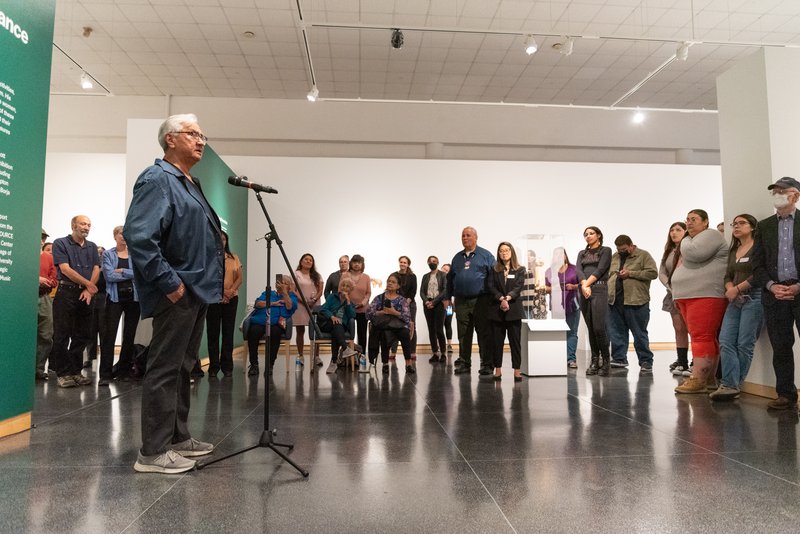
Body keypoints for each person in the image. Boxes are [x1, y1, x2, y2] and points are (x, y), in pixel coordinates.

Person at [125, 113, 223, 474]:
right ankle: (151, 453)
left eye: (202, 134)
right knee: (164, 369)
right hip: (177, 292)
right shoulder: (157, 179)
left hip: (195, 292)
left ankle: (179, 437)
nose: (201, 141)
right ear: (171, 140)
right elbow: (140, 238)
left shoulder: (188, 182)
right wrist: (172, 285)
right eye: (193, 134)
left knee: (183, 367)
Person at [752, 177, 800, 410]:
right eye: (775, 191)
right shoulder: (764, 226)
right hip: (774, 294)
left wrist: (798, 286)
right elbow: (756, 264)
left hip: (799, 290)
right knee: (780, 346)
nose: (777, 194)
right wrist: (772, 285)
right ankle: (786, 394)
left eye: (783, 191)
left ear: (796, 195)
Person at [671, 209, 728, 394]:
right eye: (687, 219)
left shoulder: (709, 235)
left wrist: (685, 238)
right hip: (688, 295)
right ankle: (708, 379)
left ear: (706, 222)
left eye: (694, 219)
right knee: (701, 337)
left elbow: (694, 254)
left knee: (701, 336)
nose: (689, 223)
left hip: (706, 294)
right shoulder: (694, 240)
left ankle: (698, 379)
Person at [711, 214, 761, 401]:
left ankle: (732, 385)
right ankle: (730, 384)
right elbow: (727, 275)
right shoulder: (734, 250)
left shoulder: (758, 248)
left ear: (753, 227)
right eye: (735, 224)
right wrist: (730, 288)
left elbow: (760, 274)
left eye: (742, 223)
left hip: (754, 298)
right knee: (725, 341)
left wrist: (738, 288)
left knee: (745, 344)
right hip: (734, 300)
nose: (737, 226)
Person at [51, 215, 100, 388]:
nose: (86, 227)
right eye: (83, 224)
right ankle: (63, 373)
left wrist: (88, 289)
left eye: (89, 224)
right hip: (66, 293)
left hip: (85, 295)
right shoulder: (60, 243)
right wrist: (88, 284)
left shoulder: (92, 246)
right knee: (62, 334)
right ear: (73, 225)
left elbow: (96, 267)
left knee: (83, 334)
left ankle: (75, 371)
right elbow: (65, 269)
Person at [446, 227, 495, 375]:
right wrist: (448, 298)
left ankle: (486, 364)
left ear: (476, 237)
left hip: (481, 300)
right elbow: (450, 280)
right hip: (461, 301)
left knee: (483, 333)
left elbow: (494, 278)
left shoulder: (486, 255)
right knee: (463, 334)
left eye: (468, 235)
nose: (465, 238)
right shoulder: (457, 258)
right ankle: (464, 362)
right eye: (463, 235)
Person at [606, 235, 658, 375]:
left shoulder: (643, 255)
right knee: (616, 332)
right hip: (615, 300)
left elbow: (653, 273)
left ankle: (646, 361)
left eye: (623, 249)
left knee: (639, 332)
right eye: (618, 249)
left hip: (636, 300)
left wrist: (631, 273)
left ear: (631, 245)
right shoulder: (615, 256)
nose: (621, 251)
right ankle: (619, 358)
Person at [98, 226, 140, 386]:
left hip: (134, 300)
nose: (124, 237)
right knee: (109, 336)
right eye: (121, 234)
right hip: (114, 299)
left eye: (126, 234)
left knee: (129, 336)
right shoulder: (108, 254)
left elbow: (140, 274)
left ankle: (124, 372)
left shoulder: (135, 254)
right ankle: (105, 374)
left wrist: (122, 270)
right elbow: (109, 275)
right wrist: (129, 273)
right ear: (115, 236)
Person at [201, 230, 242, 378]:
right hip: (213, 298)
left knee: (228, 332)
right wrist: (221, 293)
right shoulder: (208, 258)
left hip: (231, 299)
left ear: (227, 242)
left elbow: (239, 278)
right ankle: (213, 367)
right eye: (219, 239)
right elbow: (207, 278)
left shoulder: (234, 258)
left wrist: (230, 292)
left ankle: (227, 367)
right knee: (212, 333)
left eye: (224, 239)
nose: (222, 242)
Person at [486, 242, 525, 381]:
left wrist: (507, 298)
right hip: (497, 310)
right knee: (497, 342)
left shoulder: (520, 269)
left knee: (515, 342)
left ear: (511, 252)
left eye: (507, 250)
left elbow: (518, 287)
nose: (504, 253)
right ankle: (498, 369)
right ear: (498, 253)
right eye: (501, 251)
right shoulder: (494, 269)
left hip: (514, 310)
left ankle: (517, 370)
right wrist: (501, 298)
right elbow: (490, 286)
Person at [576, 226, 612, 376]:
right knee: (590, 327)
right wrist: (584, 286)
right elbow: (579, 270)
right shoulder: (582, 253)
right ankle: (594, 360)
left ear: (598, 235)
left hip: (599, 289)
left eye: (591, 233)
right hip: (584, 291)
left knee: (599, 327)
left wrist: (586, 284)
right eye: (586, 234)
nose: (588, 236)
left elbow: (601, 269)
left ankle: (606, 360)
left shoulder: (606, 250)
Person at [246, 275, 298, 377]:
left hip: (276, 324)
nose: (280, 284)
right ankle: (254, 364)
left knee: (275, 333)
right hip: (261, 321)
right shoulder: (268, 293)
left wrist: (285, 293)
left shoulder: (292, 296)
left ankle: (270, 365)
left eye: (283, 283)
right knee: (253, 331)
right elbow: (257, 304)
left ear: (289, 286)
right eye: (279, 282)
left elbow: (289, 306)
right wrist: (273, 303)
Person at [659, 222, 691, 376]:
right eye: (672, 230)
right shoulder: (668, 251)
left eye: (678, 230)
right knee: (679, 329)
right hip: (672, 293)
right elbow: (662, 272)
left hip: (688, 292)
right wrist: (670, 287)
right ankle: (682, 362)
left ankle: (696, 362)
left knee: (692, 328)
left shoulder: (689, 248)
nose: (674, 232)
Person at [367, 273, 413, 374]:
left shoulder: (402, 300)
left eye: (393, 282)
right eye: (389, 281)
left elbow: (407, 317)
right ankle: (385, 364)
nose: (390, 283)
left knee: (405, 333)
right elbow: (369, 313)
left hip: (399, 326)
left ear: (398, 286)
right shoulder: (379, 298)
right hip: (385, 325)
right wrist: (381, 312)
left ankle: (408, 363)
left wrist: (394, 312)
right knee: (384, 334)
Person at [545, 247, 580, 369]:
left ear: (566, 255)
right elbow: (544, 288)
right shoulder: (549, 271)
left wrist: (574, 286)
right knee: (558, 332)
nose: (559, 256)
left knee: (571, 332)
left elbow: (582, 285)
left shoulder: (575, 269)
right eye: (556, 254)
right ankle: (558, 358)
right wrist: (555, 288)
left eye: (561, 254)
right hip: (557, 306)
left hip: (572, 305)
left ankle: (571, 359)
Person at [317, 277, 357, 373]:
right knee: (337, 325)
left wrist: (347, 302)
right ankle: (344, 348)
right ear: (339, 287)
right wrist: (332, 317)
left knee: (337, 329)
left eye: (347, 286)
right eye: (343, 285)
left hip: (339, 327)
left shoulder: (350, 303)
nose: (344, 287)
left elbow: (352, 316)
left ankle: (333, 362)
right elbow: (323, 309)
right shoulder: (332, 297)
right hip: (327, 323)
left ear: (350, 290)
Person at [292, 253, 324, 367]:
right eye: (306, 259)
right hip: (300, 305)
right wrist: (304, 301)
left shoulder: (317, 275)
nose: (308, 261)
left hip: (314, 305)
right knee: (300, 331)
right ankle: (300, 356)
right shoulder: (296, 274)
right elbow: (293, 290)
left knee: (316, 330)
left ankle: (316, 356)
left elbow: (321, 290)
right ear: (301, 261)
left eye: (311, 260)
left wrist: (314, 299)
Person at [36, 228, 57, 381]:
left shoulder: (48, 258)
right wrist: (37, 279)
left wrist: (47, 281)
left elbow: (54, 278)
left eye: (43, 238)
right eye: (40, 237)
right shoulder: (22, 254)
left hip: (44, 297)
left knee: (46, 334)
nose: (42, 240)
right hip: (24, 296)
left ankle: (38, 368)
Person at [420, 255, 448, 363]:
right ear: (427, 262)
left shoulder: (443, 275)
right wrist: (426, 301)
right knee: (431, 329)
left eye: (434, 261)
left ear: (438, 262)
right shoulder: (425, 276)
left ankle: (443, 353)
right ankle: (435, 353)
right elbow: (422, 291)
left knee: (439, 329)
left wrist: (434, 302)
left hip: (439, 304)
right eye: (430, 261)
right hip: (427, 304)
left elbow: (445, 290)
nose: (432, 262)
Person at [341, 254, 371, 353]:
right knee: (347, 333)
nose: (357, 264)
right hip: (348, 308)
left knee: (362, 333)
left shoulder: (366, 277)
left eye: (359, 262)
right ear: (351, 263)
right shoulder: (345, 275)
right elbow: (340, 290)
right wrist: (348, 301)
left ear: (362, 264)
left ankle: (361, 355)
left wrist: (363, 303)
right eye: (355, 262)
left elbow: (368, 293)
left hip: (363, 309)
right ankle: (348, 355)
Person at [391, 255, 418, 362]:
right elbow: (391, 288)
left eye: (405, 262)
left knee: (411, 327)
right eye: (401, 262)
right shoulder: (394, 275)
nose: (402, 264)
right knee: (394, 326)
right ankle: (393, 351)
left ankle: (412, 352)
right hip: (396, 304)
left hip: (409, 304)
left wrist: (407, 301)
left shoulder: (412, 276)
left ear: (408, 264)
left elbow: (413, 291)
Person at [85, 246, 107, 370]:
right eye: (97, 253)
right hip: (91, 298)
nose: (99, 255)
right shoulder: (90, 269)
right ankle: (89, 357)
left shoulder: (107, 268)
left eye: (101, 253)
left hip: (104, 299)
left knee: (104, 330)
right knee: (91, 330)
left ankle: (105, 357)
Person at [440, 263, 454, 354]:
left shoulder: (451, 281)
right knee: (438, 325)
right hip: (439, 305)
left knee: (448, 323)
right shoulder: (437, 279)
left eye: (447, 270)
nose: (444, 271)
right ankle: (439, 344)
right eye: (443, 269)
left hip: (449, 306)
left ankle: (449, 344)